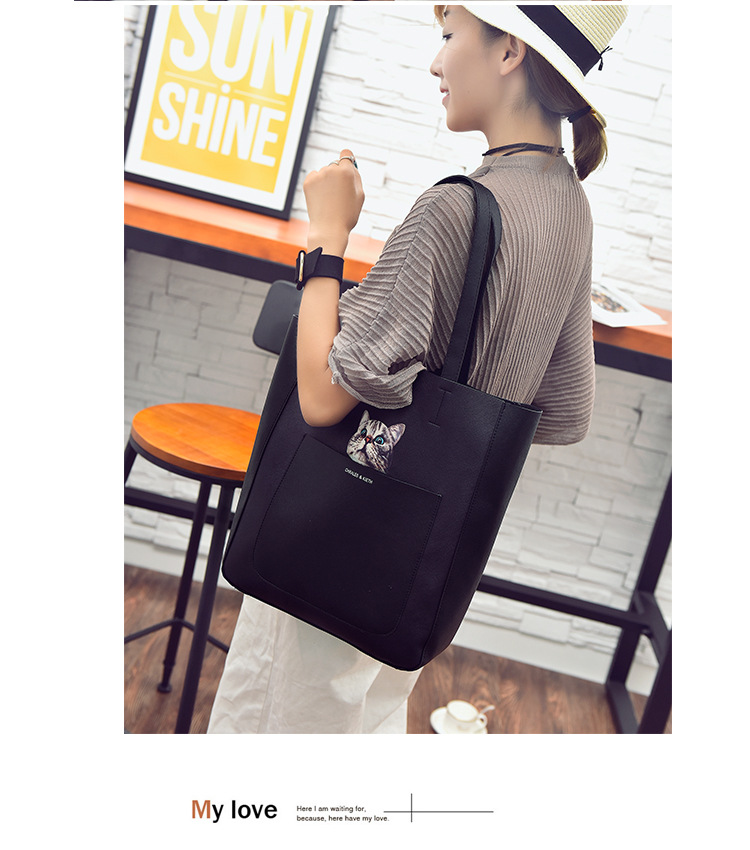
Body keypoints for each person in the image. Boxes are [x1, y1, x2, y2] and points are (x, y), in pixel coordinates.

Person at [207, 4, 628, 734]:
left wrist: (328, 238)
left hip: (330, 540)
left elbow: (321, 399)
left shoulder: (455, 210)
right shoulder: (569, 205)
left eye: (449, 36)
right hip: (416, 566)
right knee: (364, 731)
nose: (437, 63)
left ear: (509, 51)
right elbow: (563, 411)